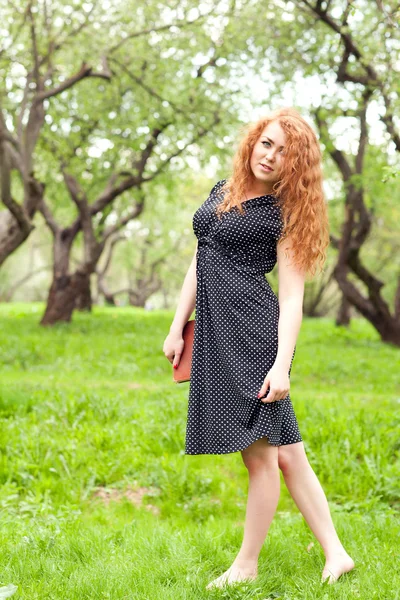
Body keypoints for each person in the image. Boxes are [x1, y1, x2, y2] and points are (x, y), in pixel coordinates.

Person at [163, 107, 355, 590]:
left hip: (253, 335)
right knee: (288, 452)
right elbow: (199, 257)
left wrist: (281, 365)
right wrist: (176, 324)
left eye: (285, 152)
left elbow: (292, 297)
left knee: (262, 457)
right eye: (266, 143)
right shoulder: (220, 192)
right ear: (253, 141)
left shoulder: (284, 214)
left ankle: (246, 566)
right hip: (214, 331)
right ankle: (336, 552)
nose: (271, 156)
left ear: (296, 165)